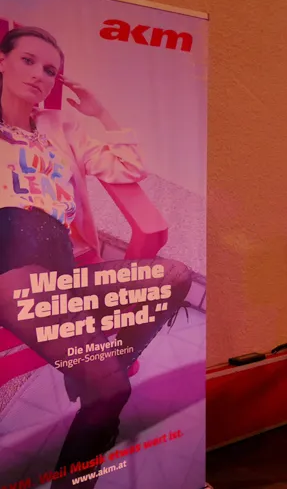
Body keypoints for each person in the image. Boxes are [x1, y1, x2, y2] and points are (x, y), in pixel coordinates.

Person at [0, 26, 191, 489]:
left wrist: (101, 112)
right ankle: (98, 392)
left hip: (61, 269)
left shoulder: (61, 128)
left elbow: (130, 168)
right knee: (110, 391)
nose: (40, 75)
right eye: (28, 60)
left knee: (175, 275)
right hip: (11, 266)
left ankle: (100, 373)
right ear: (1, 61)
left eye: (50, 70)